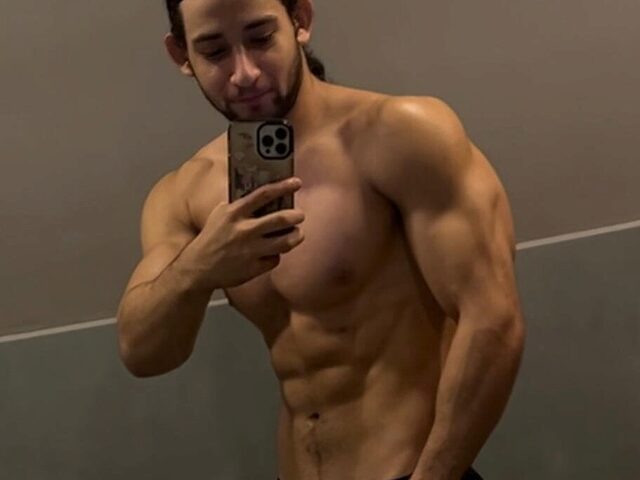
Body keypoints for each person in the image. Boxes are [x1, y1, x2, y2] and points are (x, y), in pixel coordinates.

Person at [116, 0, 527, 479]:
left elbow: (493, 320)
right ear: (181, 55)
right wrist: (198, 269)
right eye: (215, 51)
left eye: (260, 38)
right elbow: (143, 353)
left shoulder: (398, 134)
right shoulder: (184, 192)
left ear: (301, 21)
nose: (245, 73)